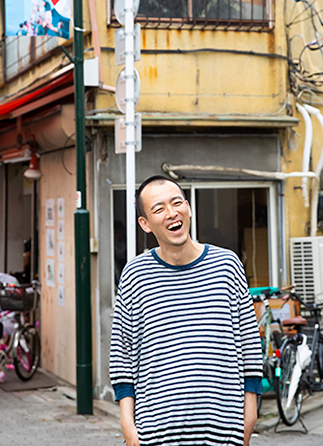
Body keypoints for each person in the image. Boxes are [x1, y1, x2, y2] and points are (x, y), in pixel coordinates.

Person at [109, 176, 263, 446]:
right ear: (145, 224)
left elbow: (249, 343)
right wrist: (127, 426)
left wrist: (249, 415)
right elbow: (122, 353)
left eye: (177, 202)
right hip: (156, 434)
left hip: (224, 432)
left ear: (188, 208)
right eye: (159, 209)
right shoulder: (135, 275)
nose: (171, 213)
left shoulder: (227, 265)